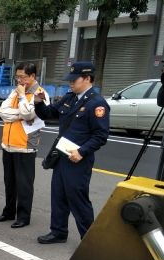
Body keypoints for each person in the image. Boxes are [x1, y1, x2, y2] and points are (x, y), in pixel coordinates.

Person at [34, 61, 110, 244]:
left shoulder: (97, 103)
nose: (70, 83)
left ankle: (89, 239)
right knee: (58, 194)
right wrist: (38, 103)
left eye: (74, 80)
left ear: (87, 79)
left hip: (78, 159)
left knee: (78, 199)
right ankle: (58, 231)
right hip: (61, 156)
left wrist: (82, 152)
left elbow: (101, 135)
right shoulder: (70, 98)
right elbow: (49, 113)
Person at [0, 63, 49, 228]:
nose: (19, 80)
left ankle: (24, 216)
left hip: (25, 145)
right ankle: (9, 211)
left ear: (33, 76)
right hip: (8, 144)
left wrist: (23, 101)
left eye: (23, 77)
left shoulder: (40, 94)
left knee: (24, 184)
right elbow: (2, 112)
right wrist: (20, 114)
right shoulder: (16, 91)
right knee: (9, 181)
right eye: (17, 77)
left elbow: (28, 114)